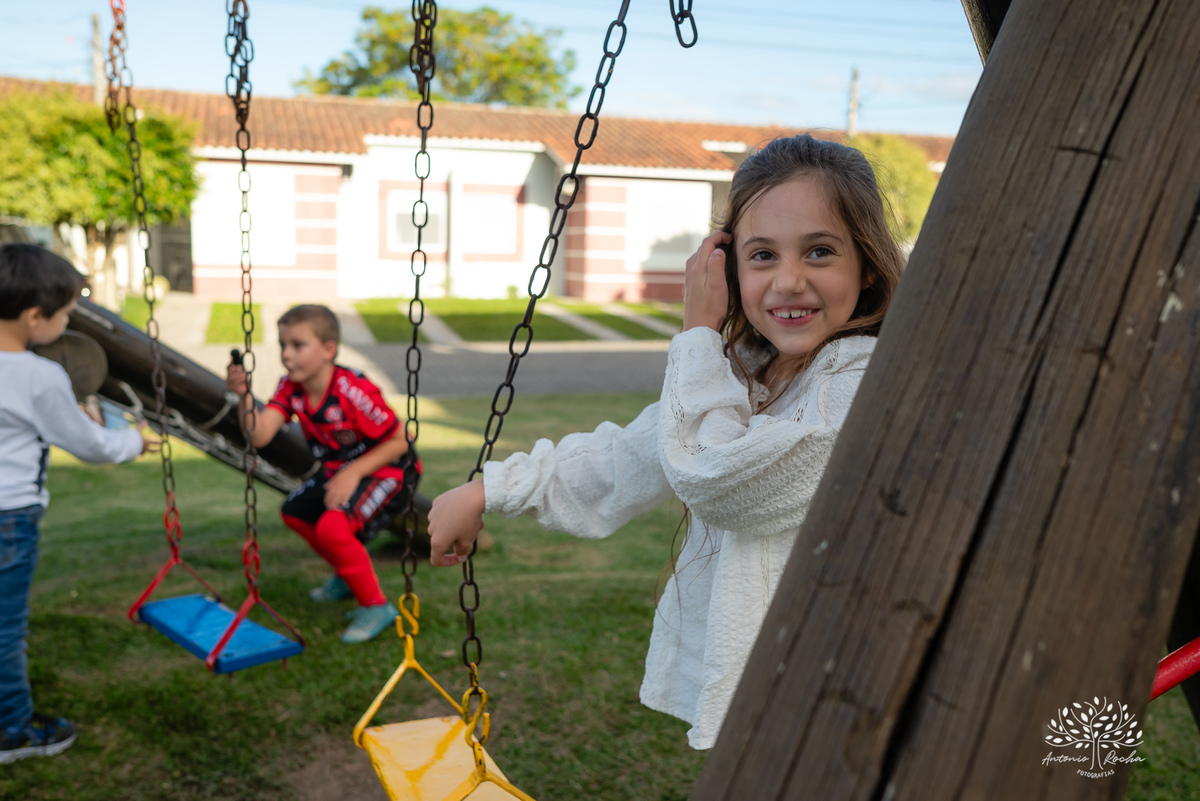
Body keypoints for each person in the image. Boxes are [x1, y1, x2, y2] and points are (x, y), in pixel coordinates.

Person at [426, 134, 904, 749]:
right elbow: (630, 455)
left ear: (865, 265)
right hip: (758, 682)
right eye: (761, 256)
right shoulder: (744, 372)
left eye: (819, 251)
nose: (788, 280)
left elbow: (712, 477)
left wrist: (698, 331)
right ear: (726, 267)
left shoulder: (862, 386)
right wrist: (492, 487)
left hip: (828, 684)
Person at [0, 244, 156, 763]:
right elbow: (90, 445)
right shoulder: (38, 376)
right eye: (65, 314)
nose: (67, 323)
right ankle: (12, 730)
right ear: (34, 317)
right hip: (10, 520)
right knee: (6, 626)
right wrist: (134, 441)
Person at [226, 304, 418, 644]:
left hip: (390, 468)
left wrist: (354, 473)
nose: (286, 354)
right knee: (295, 512)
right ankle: (347, 575)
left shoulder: (352, 391)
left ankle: (376, 605)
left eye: (298, 345)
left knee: (333, 526)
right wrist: (242, 396)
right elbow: (259, 435)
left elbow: (402, 439)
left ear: (329, 350)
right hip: (341, 470)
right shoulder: (290, 388)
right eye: (283, 344)